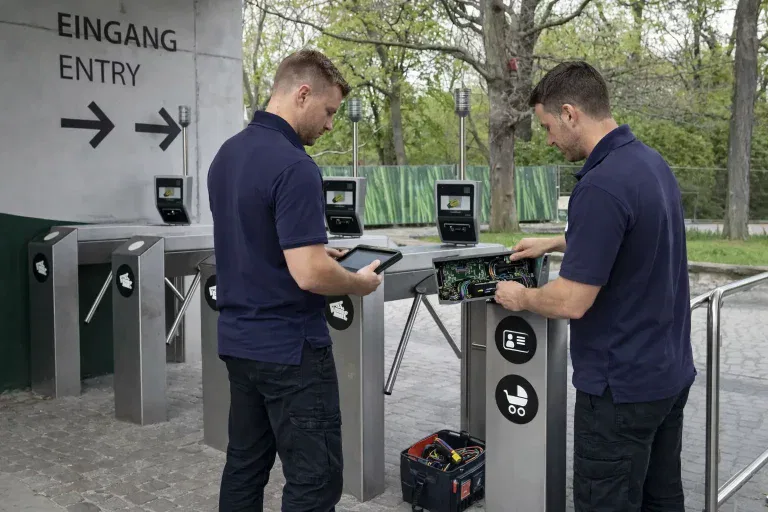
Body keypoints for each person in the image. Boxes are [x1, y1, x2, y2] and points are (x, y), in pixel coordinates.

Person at [493, 61, 695, 511]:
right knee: (661, 498)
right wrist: (556, 240)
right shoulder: (649, 163)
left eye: (547, 126)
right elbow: (633, 230)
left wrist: (520, 296)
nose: (547, 139)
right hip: (668, 374)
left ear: (569, 114)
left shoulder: (601, 185)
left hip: (619, 389)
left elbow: (571, 300)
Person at [207, 49, 383, 512]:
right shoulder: (296, 166)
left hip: (239, 344)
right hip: (291, 351)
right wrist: (356, 282)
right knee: (316, 479)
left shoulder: (226, 156)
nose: (329, 126)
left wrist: (308, 245)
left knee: (244, 466)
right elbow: (309, 275)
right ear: (303, 93)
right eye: (329, 112)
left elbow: (252, 237)